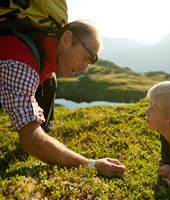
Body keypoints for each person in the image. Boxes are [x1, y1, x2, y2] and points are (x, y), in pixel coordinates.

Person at [0, 20, 125, 177]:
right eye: (85, 57)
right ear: (66, 39)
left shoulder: (43, 56)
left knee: (50, 81)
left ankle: (45, 141)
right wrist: (91, 165)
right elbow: (30, 139)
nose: (84, 69)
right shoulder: (22, 65)